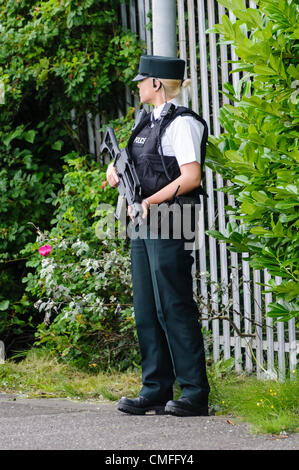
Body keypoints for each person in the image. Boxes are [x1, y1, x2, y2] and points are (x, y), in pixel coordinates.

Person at [106, 55, 210, 417]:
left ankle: (194, 393)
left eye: (142, 80)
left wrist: (150, 200)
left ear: (157, 84)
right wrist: (114, 170)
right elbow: (136, 162)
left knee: (174, 306)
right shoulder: (144, 120)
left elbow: (191, 177)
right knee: (147, 309)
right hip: (142, 219)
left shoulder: (183, 124)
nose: (137, 85)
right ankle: (155, 389)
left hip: (172, 217)